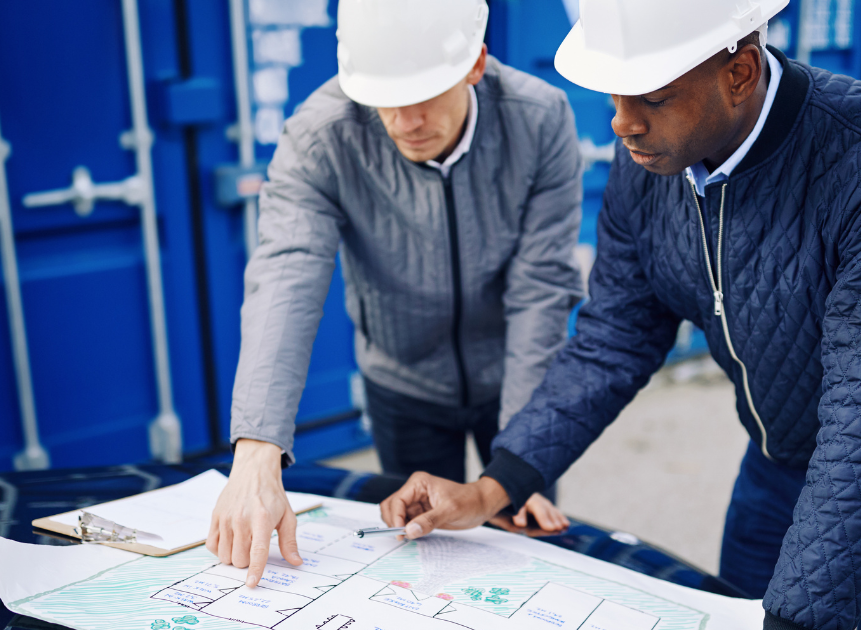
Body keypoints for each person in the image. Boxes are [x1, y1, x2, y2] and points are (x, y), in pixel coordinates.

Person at [378, 1, 861, 630]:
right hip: (775, 453)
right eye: (614, 93)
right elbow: (614, 336)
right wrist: (494, 486)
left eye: (653, 97)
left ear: (738, 72)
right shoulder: (653, 161)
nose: (622, 122)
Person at [208, 0, 581, 589]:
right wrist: (257, 450)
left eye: (426, 95)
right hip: (403, 383)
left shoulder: (539, 117)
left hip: (518, 378)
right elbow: (286, 272)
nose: (405, 121)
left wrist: (516, 468)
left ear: (476, 65)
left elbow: (542, 290)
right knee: (417, 557)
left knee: (521, 558)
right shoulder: (320, 134)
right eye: (384, 99)